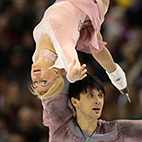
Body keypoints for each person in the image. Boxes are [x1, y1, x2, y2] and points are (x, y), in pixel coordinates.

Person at [30, 0, 129, 99]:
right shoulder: (63, 46)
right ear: (56, 73)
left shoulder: (36, 57)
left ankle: (120, 82)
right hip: (89, 3)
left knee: (95, 45)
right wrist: (71, 76)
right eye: (43, 82)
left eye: (35, 83)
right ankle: (120, 82)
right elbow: (72, 63)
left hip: (71, 8)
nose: (36, 78)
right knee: (95, 47)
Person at [37, 74, 142, 142]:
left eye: (100, 96)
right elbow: (51, 94)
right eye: (90, 95)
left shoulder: (115, 131)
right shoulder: (60, 128)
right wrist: (69, 75)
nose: (98, 100)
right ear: (75, 101)